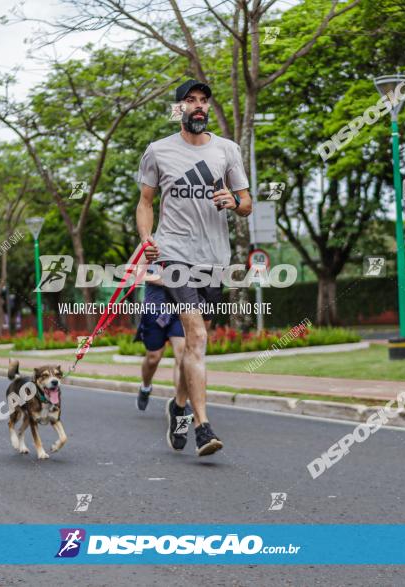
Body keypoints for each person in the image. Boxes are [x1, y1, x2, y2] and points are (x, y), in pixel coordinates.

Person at [135, 79, 252, 457]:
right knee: (196, 336)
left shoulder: (227, 150)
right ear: (179, 109)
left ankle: (178, 407)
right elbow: (145, 202)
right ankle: (204, 427)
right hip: (174, 254)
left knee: (193, 345)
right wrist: (147, 240)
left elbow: (248, 202)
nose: (198, 106)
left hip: (215, 257)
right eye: (190, 101)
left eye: (203, 101)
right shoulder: (159, 151)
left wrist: (233, 201)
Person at [135, 272, 187, 422]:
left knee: (182, 355)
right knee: (153, 358)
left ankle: (180, 404)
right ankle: (145, 387)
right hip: (154, 309)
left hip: (178, 310)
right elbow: (135, 270)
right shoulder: (150, 249)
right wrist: (165, 281)